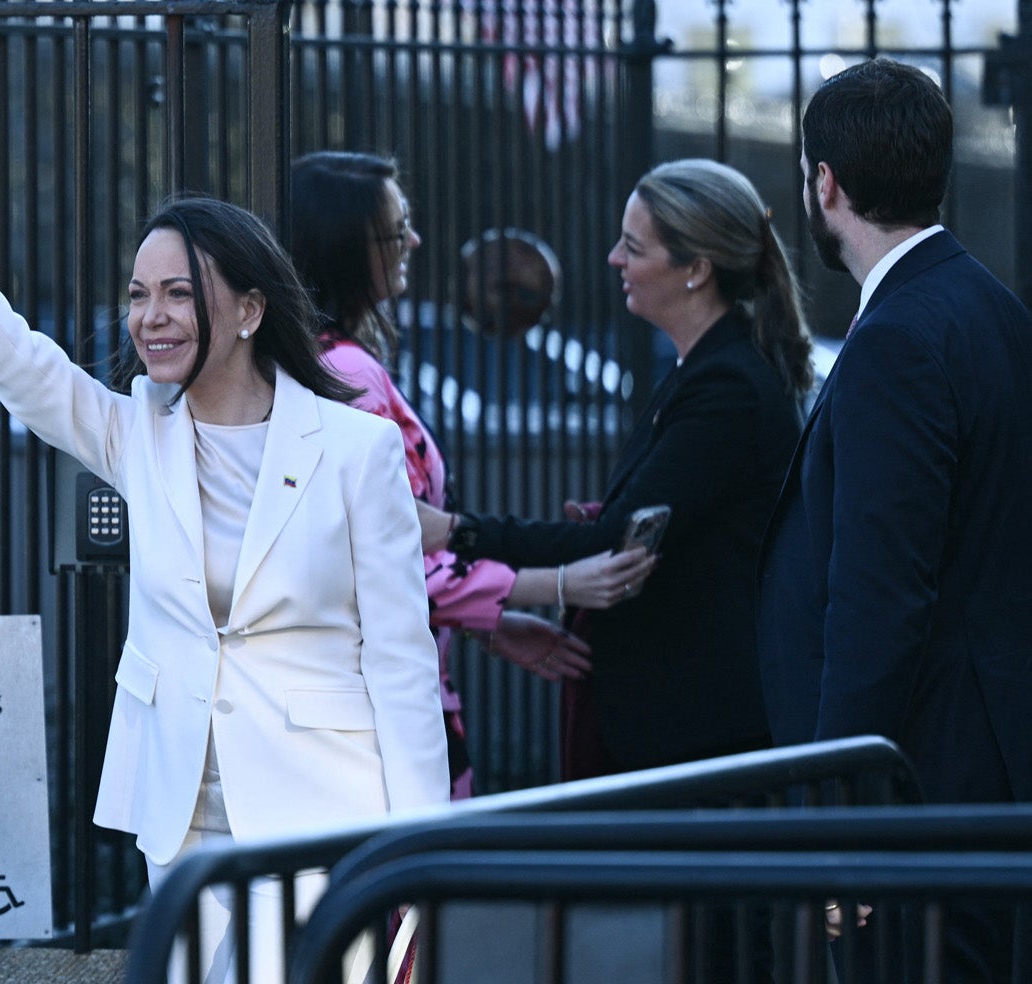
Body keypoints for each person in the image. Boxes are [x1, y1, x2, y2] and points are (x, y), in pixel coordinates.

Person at [0, 55, 448, 984]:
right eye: (139, 294)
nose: (151, 317)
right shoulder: (141, 436)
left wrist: (418, 855)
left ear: (251, 309)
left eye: (178, 293)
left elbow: (404, 669)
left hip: (325, 817)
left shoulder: (354, 450)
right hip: (180, 816)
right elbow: (15, 358)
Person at [759, 56, 1032, 982]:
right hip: (973, 773)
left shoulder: (899, 341)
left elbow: (881, 597)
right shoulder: (990, 309)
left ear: (825, 184)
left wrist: (848, 817)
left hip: (919, 786)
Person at [427, 158, 814, 786]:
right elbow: (652, 521)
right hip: (676, 712)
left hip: (696, 727)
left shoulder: (728, 385)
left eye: (633, 247)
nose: (613, 259)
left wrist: (453, 530)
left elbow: (610, 546)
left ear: (695, 269)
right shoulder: (708, 368)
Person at [289, 150, 655, 799]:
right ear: (345, 245)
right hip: (381, 711)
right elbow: (385, 558)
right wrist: (561, 583)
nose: (415, 242)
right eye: (397, 230)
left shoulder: (325, 363)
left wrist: (488, 620)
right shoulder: (347, 376)